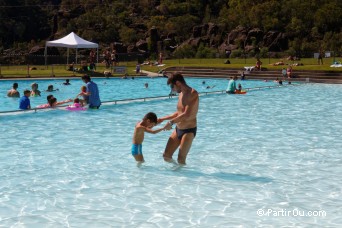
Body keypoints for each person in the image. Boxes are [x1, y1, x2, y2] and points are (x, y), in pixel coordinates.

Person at [157, 73, 199, 165]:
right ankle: (177, 173)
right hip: (178, 129)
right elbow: (178, 113)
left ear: (178, 83)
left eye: (172, 86)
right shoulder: (180, 94)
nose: (172, 89)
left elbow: (186, 115)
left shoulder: (192, 93)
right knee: (166, 156)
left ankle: (184, 178)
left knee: (181, 159)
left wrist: (171, 122)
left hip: (188, 130)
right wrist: (162, 119)